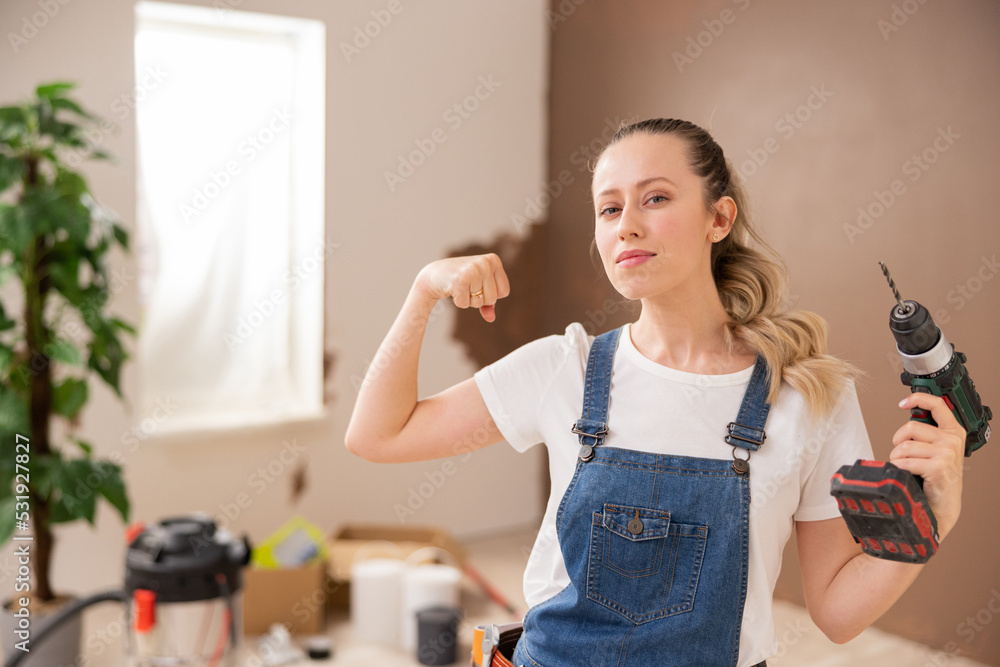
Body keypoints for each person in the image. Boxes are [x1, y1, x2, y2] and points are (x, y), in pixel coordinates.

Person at [345, 118, 966, 667]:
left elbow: (837, 614)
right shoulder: (565, 368)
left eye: (656, 198)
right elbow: (378, 436)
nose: (627, 227)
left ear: (718, 219)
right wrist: (423, 292)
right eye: (609, 209)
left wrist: (937, 516)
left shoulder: (807, 394)